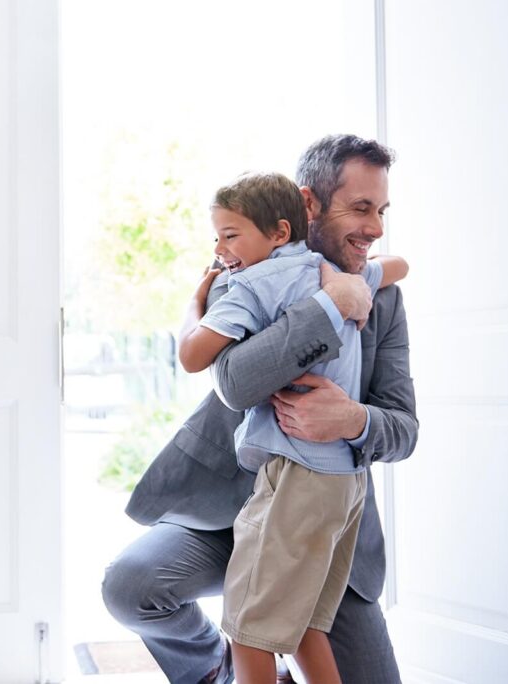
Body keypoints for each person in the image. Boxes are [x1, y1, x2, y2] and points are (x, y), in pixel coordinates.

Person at [101, 134, 418, 684]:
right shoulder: (245, 273)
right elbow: (233, 380)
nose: (375, 227)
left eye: (382, 210)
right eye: (361, 208)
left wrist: (353, 419)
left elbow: (404, 428)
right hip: (230, 509)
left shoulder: (380, 298)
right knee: (131, 586)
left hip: (320, 524)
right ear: (309, 204)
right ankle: (219, 671)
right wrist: (328, 305)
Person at [176, 171, 407, 683]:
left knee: (249, 627)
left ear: (279, 232)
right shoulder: (329, 271)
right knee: (302, 625)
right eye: (217, 236)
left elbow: (193, 356)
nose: (220, 249)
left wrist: (197, 298)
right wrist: (343, 287)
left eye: (230, 235)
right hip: (346, 484)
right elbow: (399, 266)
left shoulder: (249, 284)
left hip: (296, 478)